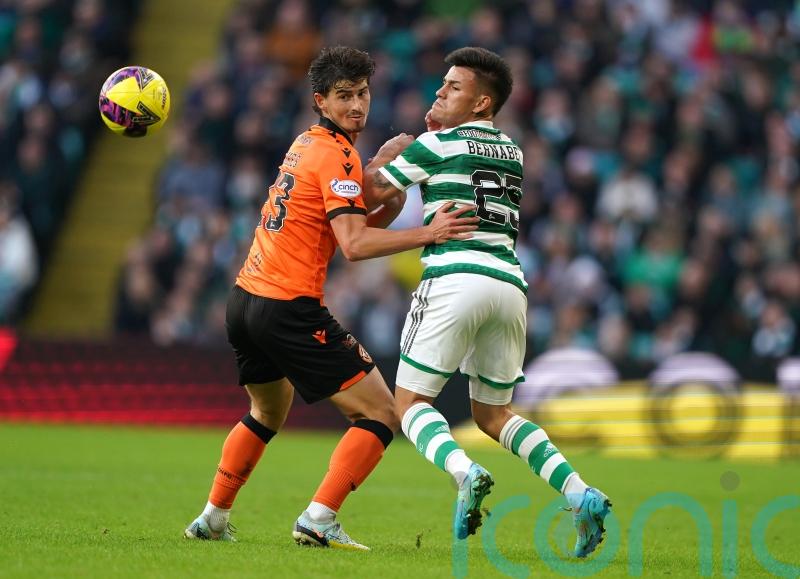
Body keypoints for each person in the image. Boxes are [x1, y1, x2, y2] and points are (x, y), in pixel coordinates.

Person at [184, 46, 478, 550]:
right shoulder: (337, 153)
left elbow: (350, 223)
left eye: (362, 93)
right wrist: (429, 233)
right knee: (383, 414)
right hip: (288, 308)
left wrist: (387, 184)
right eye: (344, 97)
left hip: (246, 301)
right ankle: (319, 517)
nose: (357, 106)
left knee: (267, 412)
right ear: (321, 100)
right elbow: (356, 244)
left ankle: (213, 516)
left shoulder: (307, 144)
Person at [364, 46, 612, 557]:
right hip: (508, 284)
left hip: (454, 277)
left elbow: (368, 192)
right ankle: (578, 492)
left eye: (452, 87)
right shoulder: (514, 152)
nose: (439, 92)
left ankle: (464, 471)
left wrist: (389, 152)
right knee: (494, 415)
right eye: (441, 85)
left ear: (481, 103)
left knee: (408, 403)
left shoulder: (435, 144)